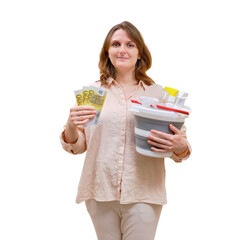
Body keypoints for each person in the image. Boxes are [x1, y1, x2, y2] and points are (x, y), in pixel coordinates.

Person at [60, 21, 191, 240]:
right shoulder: (93, 93)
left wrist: (181, 147)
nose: (122, 50)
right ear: (107, 52)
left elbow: (181, 146)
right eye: (116, 44)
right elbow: (78, 145)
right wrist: (71, 125)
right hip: (100, 190)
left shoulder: (158, 94)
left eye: (130, 45)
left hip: (144, 191)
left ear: (140, 53)